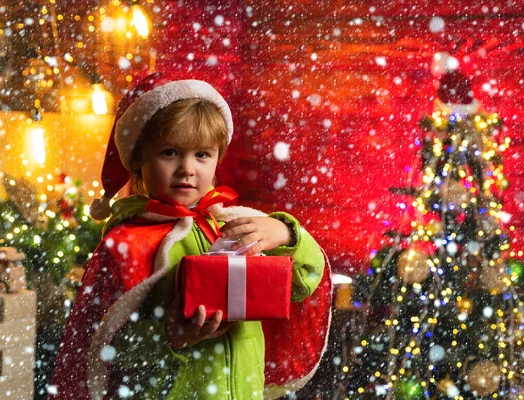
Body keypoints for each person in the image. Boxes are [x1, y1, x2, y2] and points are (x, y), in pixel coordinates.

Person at [48, 73, 332, 400]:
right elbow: (101, 351)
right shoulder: (125, 245)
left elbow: (302, 284)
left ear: (217, 158)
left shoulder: (235, 224)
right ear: (139, 157)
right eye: (170, 152)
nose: (187, 168)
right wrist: (169, 336)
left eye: (202, 154)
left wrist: (285, 232)